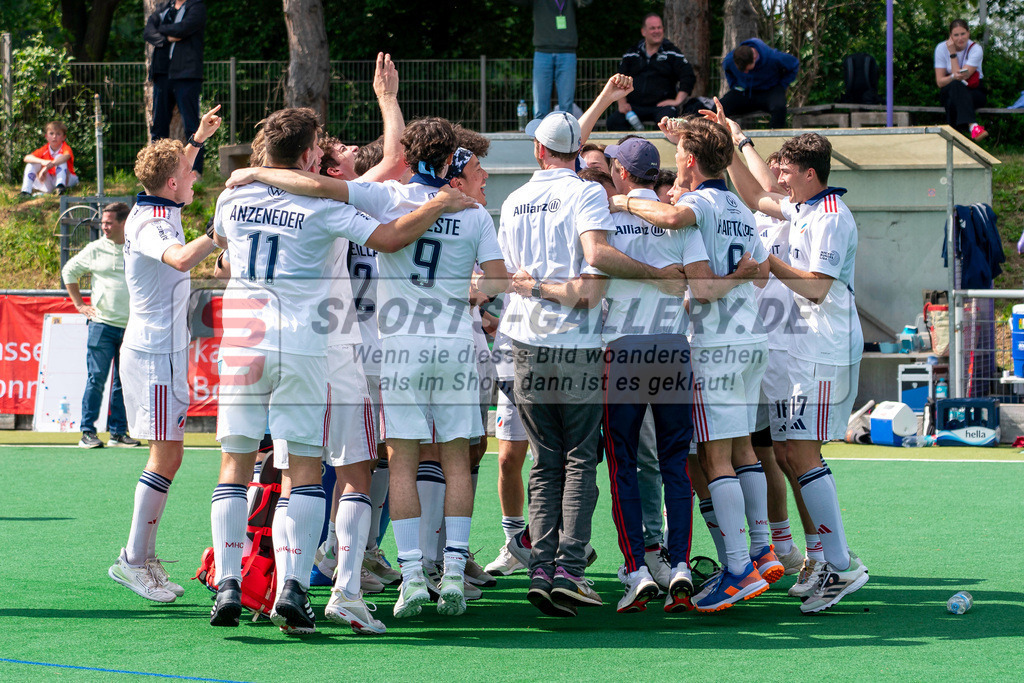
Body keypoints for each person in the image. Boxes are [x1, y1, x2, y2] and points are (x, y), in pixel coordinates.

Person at [211, 109, 478, 635]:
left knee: (238, 463)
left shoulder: (232, 197)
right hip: (324, 345)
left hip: (244, 341)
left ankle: (229, 581)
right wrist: (440, 201)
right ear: (312, 156)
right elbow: (390, 232)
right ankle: (315, 588)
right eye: (326, 148)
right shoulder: (330, 204)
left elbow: (223, 254)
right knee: (325, 471)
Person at [499, 111, 686, 617]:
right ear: (576, 153)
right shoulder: (586, 194)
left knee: (545, 460)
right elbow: (591, 284)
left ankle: (541, 568)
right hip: (577, 343)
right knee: (581, 458)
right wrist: (656, 275)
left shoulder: (513, 200)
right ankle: (570, 569)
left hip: (524, 342)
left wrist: (536, 288)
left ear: (539, 150)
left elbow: (509, 278)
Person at [609, 118, 774, 614]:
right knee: (742, 449)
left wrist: (622, 202)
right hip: (751, 336)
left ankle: (739, 570)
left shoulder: (697, 205)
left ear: (689, 160)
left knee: (713, 458)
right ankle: (762, 549)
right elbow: (762, 273)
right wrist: (739, 274)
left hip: (714, 342)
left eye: (679, 152)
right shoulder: (739, 207)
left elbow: (676, 229)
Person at [713, 99, 869, 614]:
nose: (778, 175)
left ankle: (841, 564)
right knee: (787, 453)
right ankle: (825, 559)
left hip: (822, 351)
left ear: (809, 174)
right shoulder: (802, 206)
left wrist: (767, 261)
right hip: (796, 350)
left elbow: (817, 288)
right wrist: (734, 138)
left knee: (801, 454)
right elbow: (754, 193)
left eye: (786, 170)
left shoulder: (832, 217)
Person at [107, 105, 221, 604]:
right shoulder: (153, 222)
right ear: (172, 183)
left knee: (170, 455)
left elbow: (178, 171)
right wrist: (218, 233)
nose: (195, 177)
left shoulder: (162, 204)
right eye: (188, 173)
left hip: (165, 349)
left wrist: (197, 138)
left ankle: (143, 557)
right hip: (154, 352)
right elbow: (177, 257)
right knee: (166, 455)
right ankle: (133, 560)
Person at [62, 202, 140, 450]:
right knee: (96, 379)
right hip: (102, 326)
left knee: (123, 382)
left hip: (131, 327)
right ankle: (87, 432)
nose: (104, 227)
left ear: (124, 223)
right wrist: (79, 305)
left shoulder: (138, 247)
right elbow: (68, 271)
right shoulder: (95, 248)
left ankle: (118, 433)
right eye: (103, 223)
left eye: (108, 222)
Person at [144, 0, 207, 174]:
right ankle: (156, 171)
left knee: (192, 126)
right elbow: (148, 32)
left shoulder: (197, 7)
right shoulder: (163, 7)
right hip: (162, 74)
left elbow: (183, 29)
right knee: (159, 126)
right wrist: (167, 38)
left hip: (187, 74)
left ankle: (195, 171)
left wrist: (161, 29)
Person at [607, 14, 696, 131]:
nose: (657, 31)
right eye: (652, 28)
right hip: (634, 106)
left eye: (659, 28)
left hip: (661, 107)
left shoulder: (672, 53)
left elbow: (688, 76)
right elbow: (619, 78)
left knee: (668, 123)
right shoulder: (632, 53)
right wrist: (622, 103)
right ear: (643, 31)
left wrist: (677, 101)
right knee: (613, 121)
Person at [512, 0, 592, 119]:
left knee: (566, 105)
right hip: (542, 52)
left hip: (567, 52)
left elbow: (586, 2)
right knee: (540, 106)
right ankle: (539, 130)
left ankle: (566, 130)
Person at [720, 38, 799, 129]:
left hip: (770, 90)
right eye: (742, 71)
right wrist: (734, 85)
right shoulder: (729, 60)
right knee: (719, 108)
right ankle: (714, 135)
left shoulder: (773, 57)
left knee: (779, 108)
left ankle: (775, 134)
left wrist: (782, 85)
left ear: (754, 58)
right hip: (745, 92)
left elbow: (794, 64)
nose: (746, 72)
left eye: (748, 69)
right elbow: (728, 70)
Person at [935, 19, 987, 140]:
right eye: (956, 35)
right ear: (950, 36)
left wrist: (953, 56)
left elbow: (963, 77)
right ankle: (973, 126)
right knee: (954, 87)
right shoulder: (941, 48)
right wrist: (952, 54)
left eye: (963, 34)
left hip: (974, 90)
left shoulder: (976, 49)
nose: (960, 38)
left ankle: (953, 139)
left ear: (968, 33)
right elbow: (940, 82)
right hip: (949, 90)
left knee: (953, 96)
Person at [20, 121, 77, 198]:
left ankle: (60, 187)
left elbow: (66, 156)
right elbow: (27, 158)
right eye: (51, 133)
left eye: (58, 134)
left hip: (68, 178)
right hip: (51, 179)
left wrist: (47, 167)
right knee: (31, 164)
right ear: (46, 137)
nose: (54, 137)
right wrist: (42, 161)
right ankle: (26, 191)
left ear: (64, 137)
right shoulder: (45, 149)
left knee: (59, 157)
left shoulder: (65, 147)